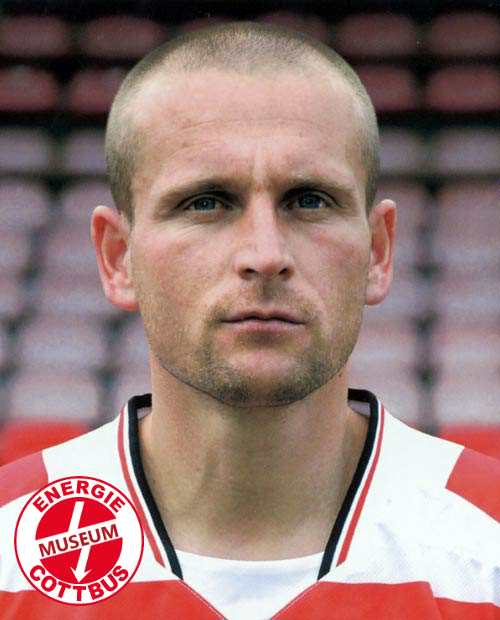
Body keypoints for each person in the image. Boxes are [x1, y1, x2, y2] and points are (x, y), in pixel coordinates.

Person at [0, 21, 499, 620]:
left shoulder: (488, 549)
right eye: (206, 202)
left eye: (309, 200)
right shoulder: (8, 551)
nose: (265, 254)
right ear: (118, 258)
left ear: (377, 252)